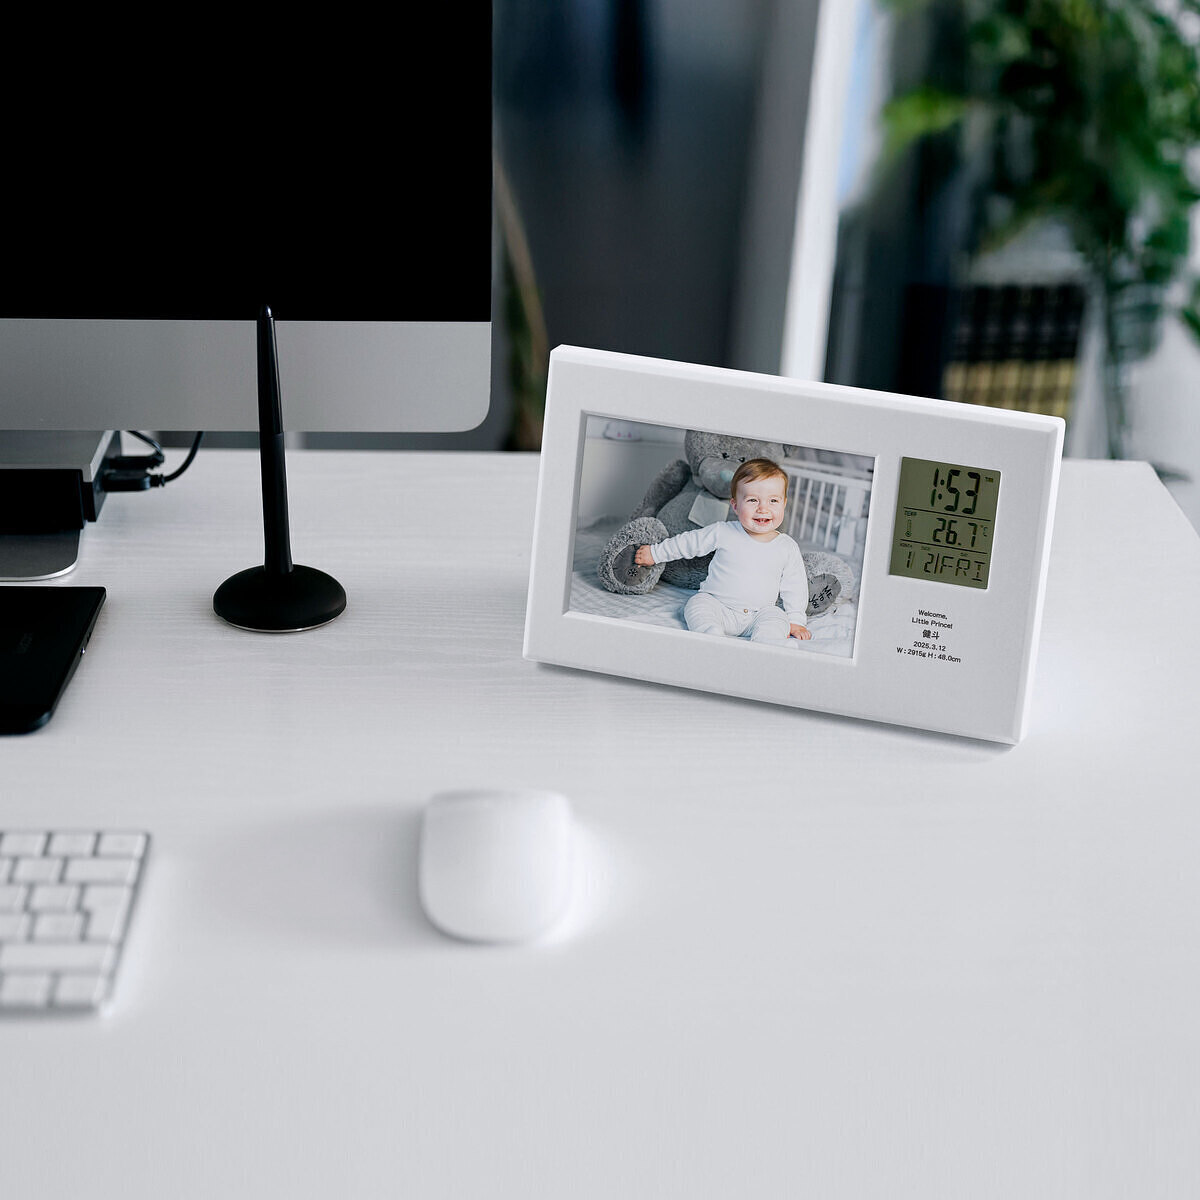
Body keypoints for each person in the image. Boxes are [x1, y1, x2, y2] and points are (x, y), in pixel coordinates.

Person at [634, 458, 811, 644]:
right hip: (718, 605)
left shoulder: (786, 546)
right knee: (697, 604)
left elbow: (795, 586)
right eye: (752, 500)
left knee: (776, 617)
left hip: (758, 614)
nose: (763, 508)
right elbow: (689, 543)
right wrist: (656, 553)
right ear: (735, 506)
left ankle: (767, 643)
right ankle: (710, 634)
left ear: (784, 504)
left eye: (773, 500)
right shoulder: (723, 531)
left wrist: (795, 620)